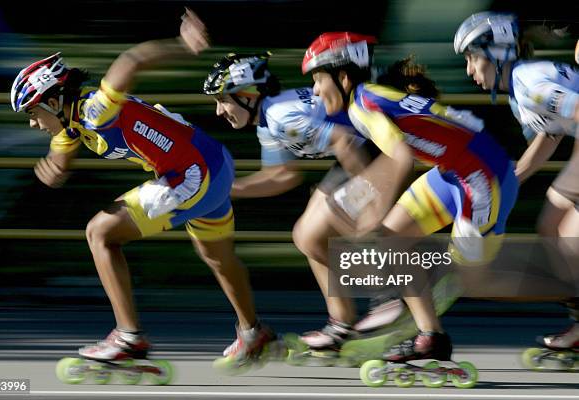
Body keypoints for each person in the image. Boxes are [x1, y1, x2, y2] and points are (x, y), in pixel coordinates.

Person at [10, 9, 275, 367]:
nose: (31, 122)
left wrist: (181, 44)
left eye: (31, 112)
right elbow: (65, 139)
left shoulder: (94, 110)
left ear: (55, 102)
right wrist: (58, 160)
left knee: (99, 232)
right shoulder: (72, 120)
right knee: (217, 256)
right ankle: (252, 332)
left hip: (191, 176)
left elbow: (130, 61)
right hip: (215, 161)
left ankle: (128, 339)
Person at [302, 31, 519, 362]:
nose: (316, 90)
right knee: (392, 238)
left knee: (476, 281)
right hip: (454, 171)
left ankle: (568, 292)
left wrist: (377, 209)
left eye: (318, 80)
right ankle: (430, 337)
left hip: (482, 178)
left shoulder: (362, 105)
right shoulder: (367, 95)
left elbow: (401, 157)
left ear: (342, 77)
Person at [203, 50, 408, 357]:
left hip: (376, 148)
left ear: (248, 94)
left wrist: (369, 194)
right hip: (360, 147)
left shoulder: (280, 117)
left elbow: (343, 142)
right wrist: (231, 188)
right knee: (307, 235)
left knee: (336, 219)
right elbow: (283, 175)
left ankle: (394, 296)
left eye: (224, 100)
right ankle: (342, 322)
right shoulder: (267, 120)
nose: (219, 111)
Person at [455, 11, 579, 356]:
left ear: (497, 53)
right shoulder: (520, 89)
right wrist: (508, 182)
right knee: (552, 225)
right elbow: (548, 138)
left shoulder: (528, 84)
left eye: (472, 58)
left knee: (568, 235)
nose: (469, 71)